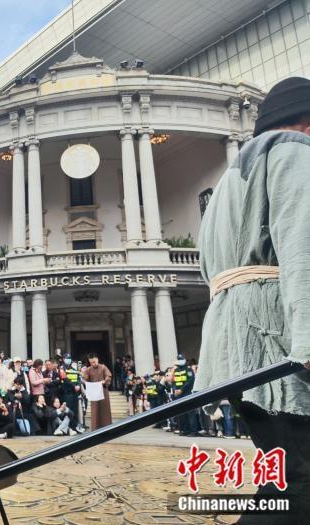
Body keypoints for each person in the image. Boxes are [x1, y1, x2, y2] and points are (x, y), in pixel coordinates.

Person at [194, 77, 310, 520]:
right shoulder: (293, 150)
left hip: (237, 344)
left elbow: (208, 269)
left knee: (285, 481)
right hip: (278, 338)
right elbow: (303, 248)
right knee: (298, 485)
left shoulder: (228, 181)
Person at [82, 353, 112, 429]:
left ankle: (107, 428)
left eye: (94, 362)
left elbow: (108, 376)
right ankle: (95, 428)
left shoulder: (103, 367)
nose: (93, 364)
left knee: (105, 410)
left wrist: (105, 381)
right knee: (95, 410)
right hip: (94, 393)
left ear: (97, 359)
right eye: (91, 362)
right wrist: (85, 381)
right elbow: (85, 378)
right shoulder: (88, 369)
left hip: (103, 391)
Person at [172, 354, 198, 436]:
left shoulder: (188, 369)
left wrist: (181, 390)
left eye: (181, 359)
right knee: (182, 413)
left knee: (190, 413)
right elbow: (174, 382)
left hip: (187, 393)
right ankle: (185, 430)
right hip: (179, 394)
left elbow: (190, 381)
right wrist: (175, 390)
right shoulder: (176, 370)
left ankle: (194, 431)